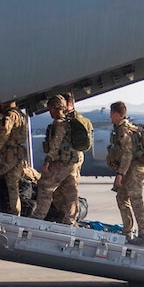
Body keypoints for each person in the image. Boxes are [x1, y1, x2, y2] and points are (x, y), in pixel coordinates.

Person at [108, 101, 144, 245]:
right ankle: (127, 231)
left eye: (112, 113)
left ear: (118, 114)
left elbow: (127, 154)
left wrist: (120, 174)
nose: (110, 116)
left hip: (134, 172)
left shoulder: (124, 130)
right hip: (128, 171)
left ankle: (143, 235)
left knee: (136, 201)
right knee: (121, 198)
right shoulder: (120, 129)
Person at [49, 93, 92, 224]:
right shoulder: (73, 119)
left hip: (71, 160)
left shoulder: (72, 120)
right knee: (63, 191)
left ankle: (70, 219)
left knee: (69, 190)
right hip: (70, 159)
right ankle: (67, 217)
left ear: (68, 104)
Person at [31, 95, 76, 221]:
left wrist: (48, 161)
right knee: (69, 192)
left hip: (61, 163)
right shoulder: (68, 122)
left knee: (45, 186)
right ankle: (69, 220)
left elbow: (55, 145)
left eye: (50, 109)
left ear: (56, 108)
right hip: (71, 164)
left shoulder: (59, 124)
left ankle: (38, 216)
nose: (50, 112)